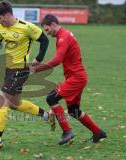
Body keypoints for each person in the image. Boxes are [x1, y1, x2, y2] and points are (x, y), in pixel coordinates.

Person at [0, 1, 53, 149]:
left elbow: (44, 40)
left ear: (8, 14)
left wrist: (39, 58)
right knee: (14, 104)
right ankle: (47, 115)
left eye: (0, 18)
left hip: (21, 70)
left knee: (1, 101)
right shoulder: (0, 27)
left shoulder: (27, 27)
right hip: (8, 70)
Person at [30, 14, 107, 145]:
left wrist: (36, 69)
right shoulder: (63, 35)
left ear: (54, 24)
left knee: (51, 98)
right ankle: (98, 132)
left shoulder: (63, 37)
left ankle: (67, 132)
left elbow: (57, 60)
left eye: (47, 30)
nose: (47, 33)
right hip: (77, 77)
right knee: (74, 111)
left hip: (77, 78)